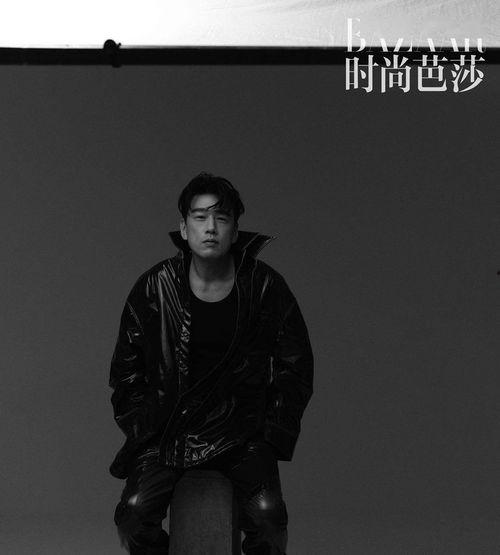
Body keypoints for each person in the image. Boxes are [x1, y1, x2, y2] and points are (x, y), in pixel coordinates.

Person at [109, 172, 314, 554]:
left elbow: (295, 365)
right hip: (167, 431)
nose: (210, 228)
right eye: (200, 217)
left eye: (221, 218)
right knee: (133, 514)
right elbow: (126, 369)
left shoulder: (265, 286)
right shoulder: (155, 286)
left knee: (270, 521)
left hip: (242, 432)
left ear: (235, 230)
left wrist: (271, 432)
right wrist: (142, 425)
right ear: (183, 227)